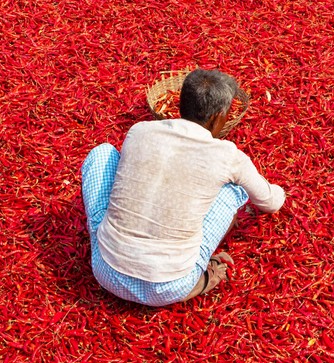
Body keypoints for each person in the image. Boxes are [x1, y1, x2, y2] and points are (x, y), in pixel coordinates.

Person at [80, 69, 285, 307]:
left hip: (107, 273)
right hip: (171, 285)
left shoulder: (139, 130)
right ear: (218, 117)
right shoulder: (228, 155)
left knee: (102, 153)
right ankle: (200, 279)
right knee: (234, 189)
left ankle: (116, 241)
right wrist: (282, 191)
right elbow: (271, 203)